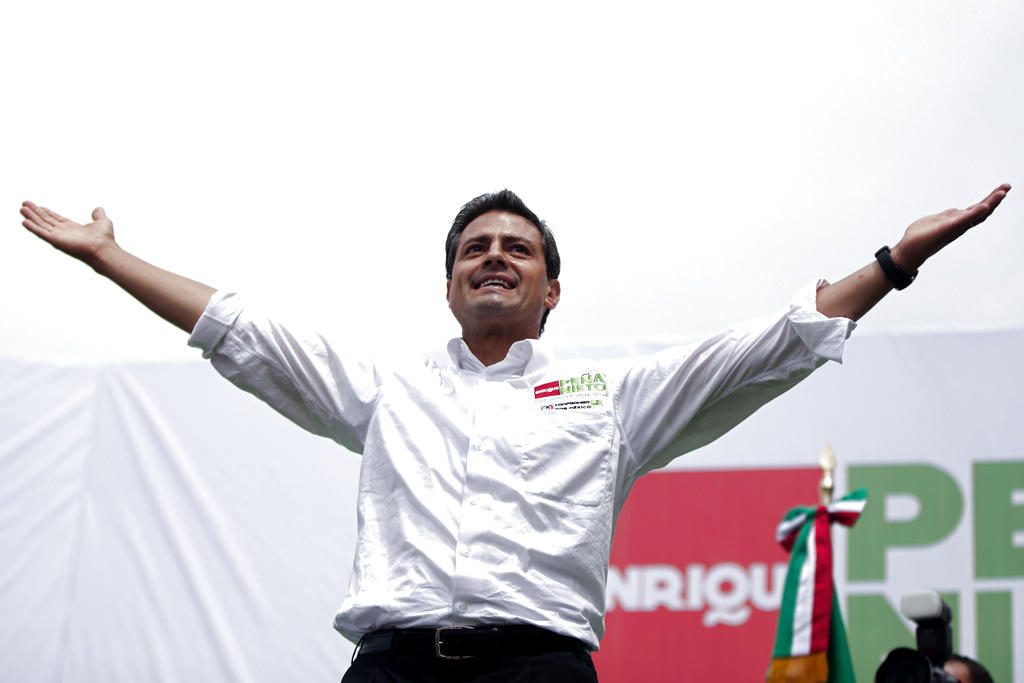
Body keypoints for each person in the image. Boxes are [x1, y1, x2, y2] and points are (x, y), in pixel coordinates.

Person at [19, 184, 1010, 682]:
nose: (494, 257)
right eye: (475, 248)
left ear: (551, 289)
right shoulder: (387, 387)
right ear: (450, 283)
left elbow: (772, 344)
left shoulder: (609, 395)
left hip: (540, 669)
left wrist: (894, 261)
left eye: (517, 248)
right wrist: (112, 258)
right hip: (391, 666)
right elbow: (240, 330)